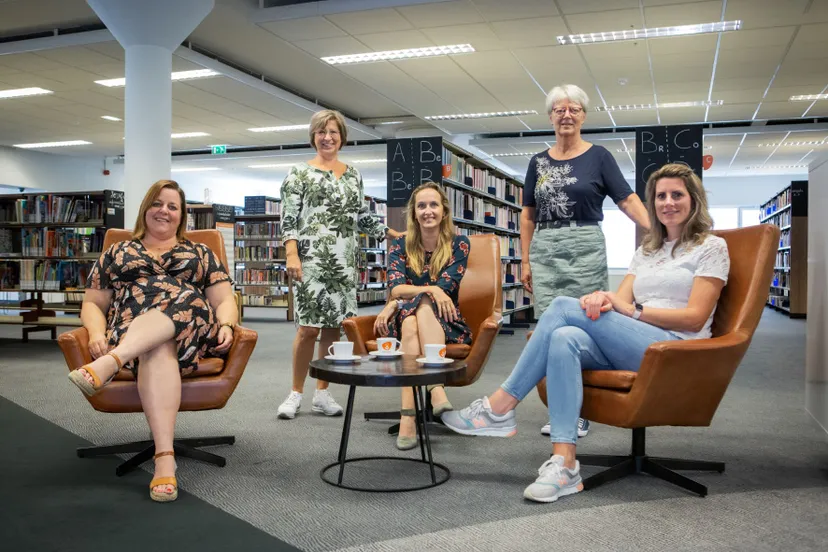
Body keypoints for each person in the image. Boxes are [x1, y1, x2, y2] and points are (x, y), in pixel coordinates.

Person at [442, 163, 730, 503]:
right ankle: (564, 463)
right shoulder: (647, 251)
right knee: (564, 339)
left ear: (694, 200)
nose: (668, 202)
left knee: (563, 307)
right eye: (661, 196)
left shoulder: (712, 247)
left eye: (677, 195)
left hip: (677, 350)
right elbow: (619, 301)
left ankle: (500, 407)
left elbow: (696, 318)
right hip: (636, 340)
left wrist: (632, 311)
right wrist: (602, 299)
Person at [67, 180, 238, 503]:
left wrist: (228, 322)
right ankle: (164, 458)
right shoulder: (117, 252)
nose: (164, 211)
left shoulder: (200, 253)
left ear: (182, 215)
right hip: (132, 330)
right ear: (145, 208)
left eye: (173, 206)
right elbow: (92, 304)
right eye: (158, 203)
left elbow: (223, 299)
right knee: (158, 345)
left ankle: (111, 363)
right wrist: (96, 333)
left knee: (186, 298)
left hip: (191, 328)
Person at [521, 83, 651, 438]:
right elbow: (528, 213)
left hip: (584, 242)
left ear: (583, 116)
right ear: (550, 117)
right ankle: (560, 405)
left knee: (581, 325)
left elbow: (625, 198)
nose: (566, 114)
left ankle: (579, 410)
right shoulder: (538, 162)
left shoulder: (599, 157)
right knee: (548, 327)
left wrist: (656, 229)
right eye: (559, 109)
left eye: (574, 109)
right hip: (545, 245)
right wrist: (526, 260)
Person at [277, 109, 402, 420]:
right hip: (311, 261)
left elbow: (361, 215)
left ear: (342, 137)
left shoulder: (353, 174)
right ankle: (295, 393)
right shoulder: (298, 174)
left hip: (344, 263)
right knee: (307, 329)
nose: (327, 137)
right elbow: (288, 219)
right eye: (321, 132)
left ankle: (322, 391)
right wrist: (291, 254)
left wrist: (390, 234)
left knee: (334, 329)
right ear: (313, 137)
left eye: (333, 132)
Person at [373, 183, 472, 449]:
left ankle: (408, 415)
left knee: (416, 317)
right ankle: (435, 386)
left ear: (444, 211)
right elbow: (396, 287)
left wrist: (401, 301)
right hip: (408, 316)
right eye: (421, 206)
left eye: (433, 205)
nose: (428, 211)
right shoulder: (399, 245)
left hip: (446, 320)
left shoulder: (459, 244)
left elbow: (447, 288)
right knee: (421, 307)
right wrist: (429, 288)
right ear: (414, 213)